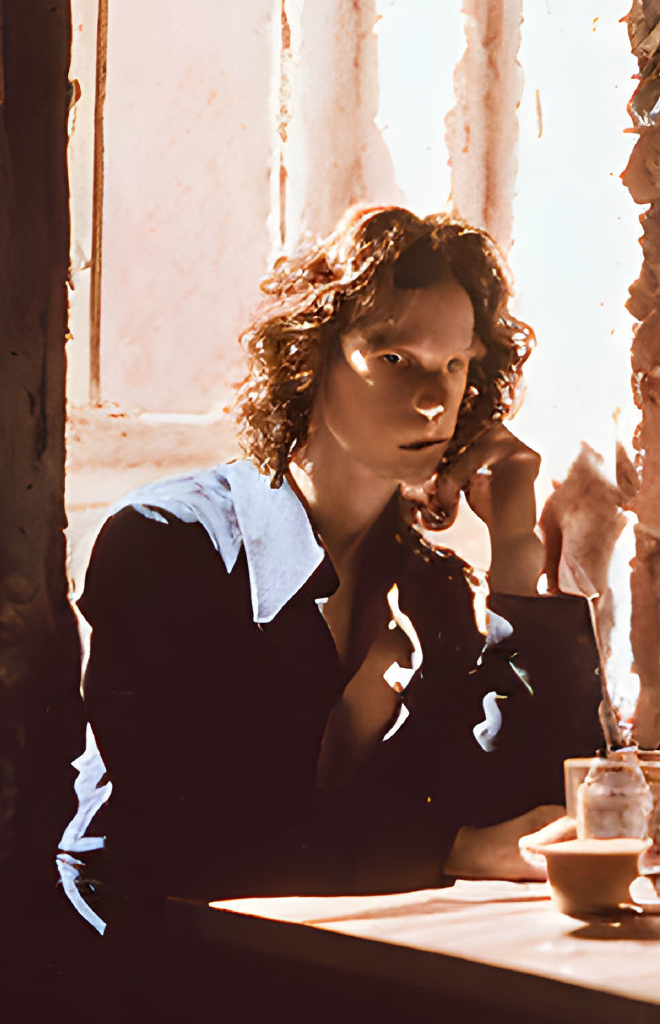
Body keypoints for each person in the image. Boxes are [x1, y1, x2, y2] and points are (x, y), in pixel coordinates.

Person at [56, 203, 596, 934]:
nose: (435, 398)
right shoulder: (169, 543)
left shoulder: (433, 593)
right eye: (395, 358)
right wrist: (453, 851)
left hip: (319, 965)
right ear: (310, 358)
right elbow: (190, 836)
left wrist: (515, 561)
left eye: (455, 364)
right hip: (128, 960)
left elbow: (536, 810)